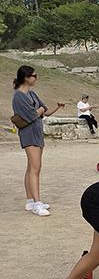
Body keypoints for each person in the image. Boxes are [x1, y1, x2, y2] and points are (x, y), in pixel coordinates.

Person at [12, 65, 65, 216]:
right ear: (26, 78)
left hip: (37, 132)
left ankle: (30, 201)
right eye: (34, 76)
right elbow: (32, 115)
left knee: (31, 168)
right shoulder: (18, 96)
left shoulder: (32, 94)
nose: (36, 78)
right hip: (29, 134)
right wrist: (40, 111)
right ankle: (37, 203)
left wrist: (56, 107)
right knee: (35, 168)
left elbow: (44, 111)